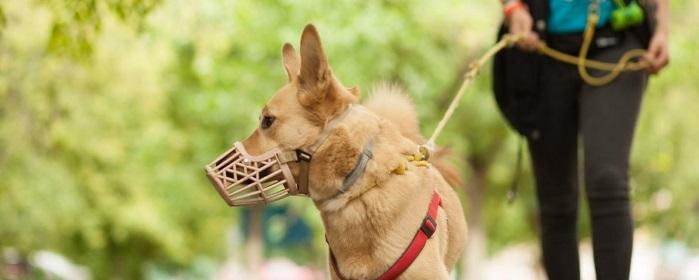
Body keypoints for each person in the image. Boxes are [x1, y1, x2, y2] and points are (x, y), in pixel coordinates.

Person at [496, 0, 669, 279]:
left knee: (607, 178)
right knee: (556, 199)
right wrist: (513, 8)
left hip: (617, 40)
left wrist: (662, 27)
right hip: (541, 46)